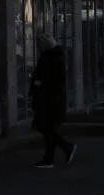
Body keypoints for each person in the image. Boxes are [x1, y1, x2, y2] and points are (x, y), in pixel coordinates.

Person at [29, 34, 76, 168]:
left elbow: (52, 80)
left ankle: (65, 148)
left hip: (50, 100)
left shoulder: (52, 57)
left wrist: (38, 84)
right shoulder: (52, 56)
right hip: (49, 99)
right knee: (47, 128)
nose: (38, 46)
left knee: (45, 127)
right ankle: (50, 158)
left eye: (39, 43)